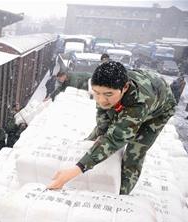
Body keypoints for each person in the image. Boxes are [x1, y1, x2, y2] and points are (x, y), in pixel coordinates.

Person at [48, 61, 176, 195]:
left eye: (108, 94)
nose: (101, 100)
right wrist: (98, 137)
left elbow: (116, 137)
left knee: (134, 153)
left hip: (158, 111)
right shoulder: (105, 87)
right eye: (96, 93)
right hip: (135, 95)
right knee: (99, 134)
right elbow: (103, 118)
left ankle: (119, 195)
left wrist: (76, 170)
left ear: (125, 87)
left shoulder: (140, 102)